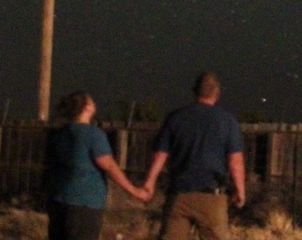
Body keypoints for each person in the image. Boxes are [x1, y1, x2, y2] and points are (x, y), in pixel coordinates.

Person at [142, 72, 247, 240]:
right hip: (212, 196)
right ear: (217, 93)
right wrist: (240, 190)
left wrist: (149, 182)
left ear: (195, 92)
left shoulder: (175, 118)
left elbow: (160, 155)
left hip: (179, 194)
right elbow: (235, 161)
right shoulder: (227, 121)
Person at [47, 91, 151, 240]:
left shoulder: (61, 134)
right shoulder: (93, 135)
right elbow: (108, 164)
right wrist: (134, 191)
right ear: (87, 107)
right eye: (91, 101)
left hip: (58, 199)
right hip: (84, 202)